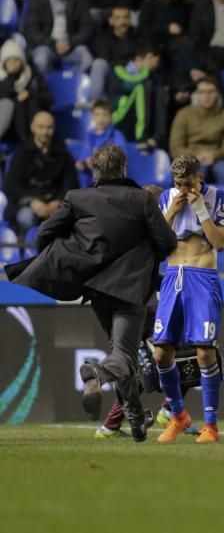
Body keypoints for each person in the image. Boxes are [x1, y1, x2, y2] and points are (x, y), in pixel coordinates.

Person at [5, 144, 176, 443]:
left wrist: (75, 254)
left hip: (96, 290)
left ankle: (136, 421)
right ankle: (96, 372)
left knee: (121, 351)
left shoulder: (78, 198)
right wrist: (145, 253)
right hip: (131, 289)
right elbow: (168, 243)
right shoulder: (141, 199)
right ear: (123, 168)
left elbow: (44, 234)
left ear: (95, 171)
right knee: (123, 356)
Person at [152, 155, 224, 443]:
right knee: (161, 353)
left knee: (204, 353)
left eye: (189, 184)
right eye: (178, 184)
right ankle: (178, 416)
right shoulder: (166, 198)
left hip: (203, 277)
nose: (183, 189)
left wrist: (199, 208)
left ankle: (211, 426)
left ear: (200, 178)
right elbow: (157, 243)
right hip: (173, 275)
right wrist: (171, 213)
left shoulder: (218, 197)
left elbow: (220, 243)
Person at [3, 111, 79, 232]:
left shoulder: (63, 154)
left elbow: (71, 184)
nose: (45, 132)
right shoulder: (21, 154)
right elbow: (11, 186)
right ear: (33, 128)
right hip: (27, 205)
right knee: (25, 217)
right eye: (41, 127)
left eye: (49, 127)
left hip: (55, 204)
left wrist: (58, 202)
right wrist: (32, 202)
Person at [23, 0, 95, 75]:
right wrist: (53, 43)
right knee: (40, 59)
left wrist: (70, 42)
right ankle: (48, 85)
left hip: (71, 45)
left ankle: (71, 83)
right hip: (47, 45)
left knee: (87, 59)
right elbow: (31, 30)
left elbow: (87, 27)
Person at [169, 76, 224, 187]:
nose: (206, 96)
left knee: (223, 169)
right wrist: (195, 156)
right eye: (202, 92)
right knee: (197, 170)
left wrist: (214, 155)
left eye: (210, 92)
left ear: (218, 94)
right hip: (191, 157)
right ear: (196, 95)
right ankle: (191, 198)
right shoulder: (183, 114)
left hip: (217, 158)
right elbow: (175, 147)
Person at [108, 43, 167, 150]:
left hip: (134, 125)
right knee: (141, 88)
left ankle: (155, 137)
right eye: (155, 61)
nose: (156, 65)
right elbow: (127, 86)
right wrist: (145, 71)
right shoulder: (119, 70)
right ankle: (142, 137)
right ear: (146, 58)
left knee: (158, 92)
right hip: (118, 120)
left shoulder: (152, 78)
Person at [0, 39, 52, 144]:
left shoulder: (33, 76)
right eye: (9, 60)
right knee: (9, 103)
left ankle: (32, 140)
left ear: (22, 60)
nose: (13, 63)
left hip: (31, 122)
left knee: (32, 99)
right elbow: (3, 96)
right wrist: (11, 76)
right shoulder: (2, 79)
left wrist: (30, 93)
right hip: (9, 128)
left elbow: (49, 99)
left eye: (16, 59)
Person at [90, 4, 138, 101]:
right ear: (111, 21)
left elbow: (140, 58)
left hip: (132, 72)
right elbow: (105, 59)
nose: (123, 21)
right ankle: (96, 102)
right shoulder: (102, 37)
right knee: (99, 64)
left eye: (126, 17)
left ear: (130, 20)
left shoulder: (138, 36)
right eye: (118, 18)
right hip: (112, 73)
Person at [78, 100, 128, 187]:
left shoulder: (117, 135)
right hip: (91, 183)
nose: (101, 119)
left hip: (112, 183)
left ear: (111, 116)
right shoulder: (89, 135)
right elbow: (83, 159)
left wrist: (97, 162)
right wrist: (82, 164)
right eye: (97, 115)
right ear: (92, 117)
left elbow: (120, 160)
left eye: (105, 115)